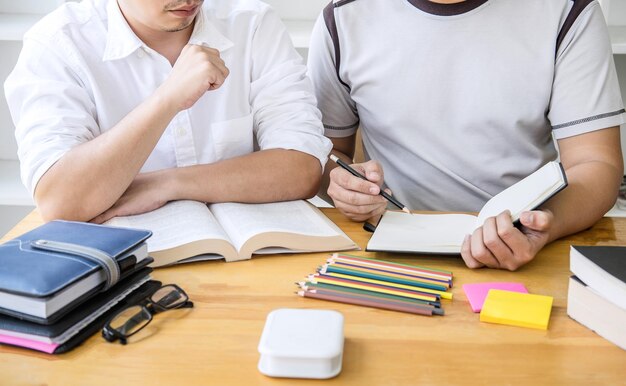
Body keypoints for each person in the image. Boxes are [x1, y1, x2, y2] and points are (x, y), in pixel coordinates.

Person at [308, 0, 625, 270]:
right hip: (388, 253)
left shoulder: (567, 11)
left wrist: (544, 223)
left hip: (529, 248)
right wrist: (343, 186)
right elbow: (327, 155)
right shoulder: (344, 17)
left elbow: (596, 162)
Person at [4, 0, 332, 223]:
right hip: (119, 271)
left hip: (248, 259)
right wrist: (167, 99)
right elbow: (60, 201)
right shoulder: (58, 44)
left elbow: (301, 168)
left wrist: (165, 185)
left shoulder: (252, 23)